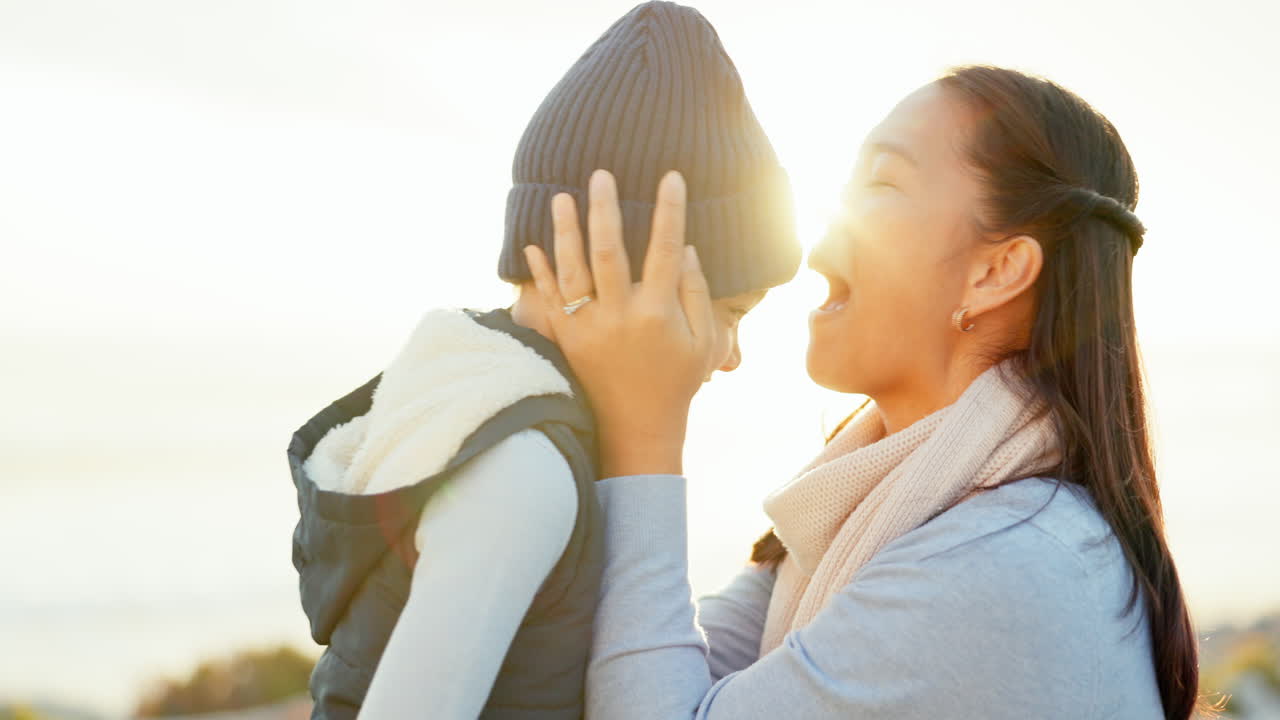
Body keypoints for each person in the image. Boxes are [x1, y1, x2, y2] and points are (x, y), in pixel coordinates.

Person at [523, 66, 1201, 719]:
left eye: (881, 184)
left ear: (996, 271)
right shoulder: (854, 516)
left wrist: (642, 428)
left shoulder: (998, 567)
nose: (815, 249)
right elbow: (651, 668)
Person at [285, 2, 799, 718]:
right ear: (637, 269)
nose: (734, 356)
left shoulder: (460, 386)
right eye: (733, 313)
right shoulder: (525, 473)